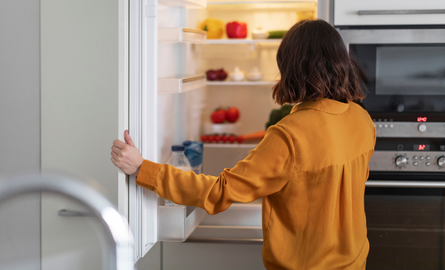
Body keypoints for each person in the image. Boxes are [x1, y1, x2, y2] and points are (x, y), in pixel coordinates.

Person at [111, 19, 376, 269]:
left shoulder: (290, 135)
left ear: (292, 69)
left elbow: (220, 192)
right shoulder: (361, 119)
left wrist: (142, 168)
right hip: (354, 262)